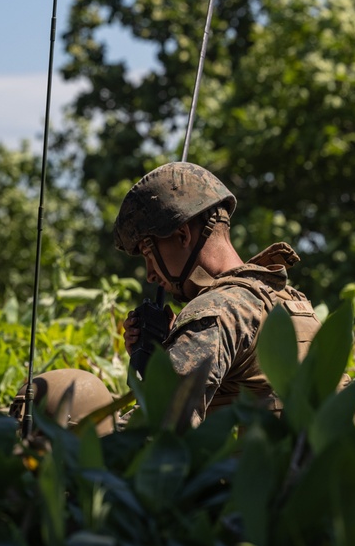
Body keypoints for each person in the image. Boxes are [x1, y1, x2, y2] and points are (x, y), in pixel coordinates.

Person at [114, 162, 321, 423]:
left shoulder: (215, 310)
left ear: (182, 235)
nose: (150, 274)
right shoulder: (289, 300)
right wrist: (164, 357)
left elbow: (159, 426)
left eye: (149, 255)